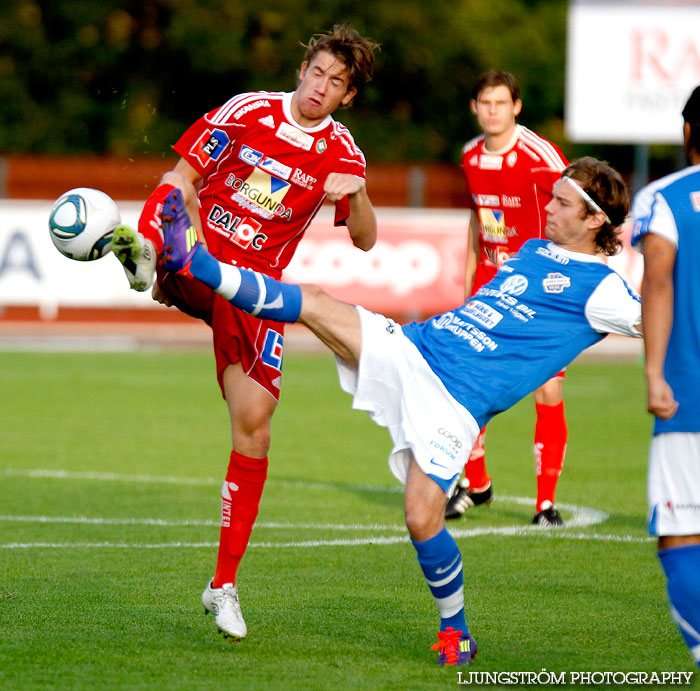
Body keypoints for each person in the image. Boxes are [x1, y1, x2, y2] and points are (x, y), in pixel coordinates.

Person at [159, 156, 642, 665]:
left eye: (563, 203)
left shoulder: (604, 289)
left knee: (420, 517)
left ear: (595, 221)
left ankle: (455, 632)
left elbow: (659, 319)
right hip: (416, 348)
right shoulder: (533, 249)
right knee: (317, 301)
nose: (549, 207)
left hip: (456, 404)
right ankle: (195, 265)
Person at [110, 24, 380, 640]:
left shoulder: (342, 153)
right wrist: (164, 228)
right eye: (317, 72)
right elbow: (181, 175)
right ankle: (153, 257)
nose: (321, 86)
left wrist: (357, 195)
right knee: (175, 208)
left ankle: (222, 586)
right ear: (302, 69)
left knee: (255, 427)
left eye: (337, 82)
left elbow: (365, 240)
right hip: (202, 246)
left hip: (256, 292)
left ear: (347, 97)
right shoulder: (248, 110)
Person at [450, 71, 570, 526]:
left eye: (502, 102)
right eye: (485, 102)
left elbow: (577, 207)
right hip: (489, 285)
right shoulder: (469, 156)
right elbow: (478, 220)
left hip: (539, 292)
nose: (493, 110)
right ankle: (476, 483)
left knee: (548, 388)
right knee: (467, 384)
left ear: (516, 107)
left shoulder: (540, 155)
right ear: (474, 107)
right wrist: (468, 281)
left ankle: (545, 504)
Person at [631, 84, 700, 670]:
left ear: (687, 135)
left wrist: (654, 373)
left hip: (689, 396)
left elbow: (658, 281)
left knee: (681, 535)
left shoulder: (664, 198)